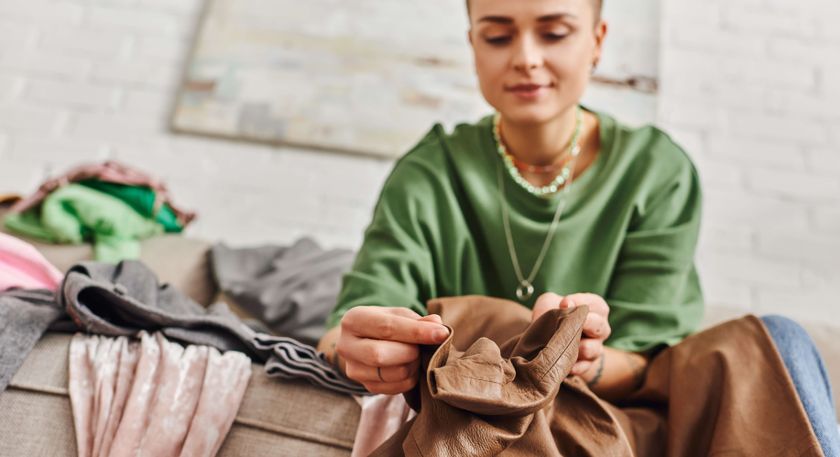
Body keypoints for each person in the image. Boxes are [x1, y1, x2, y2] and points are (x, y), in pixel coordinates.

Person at [316, 0, 840, 452]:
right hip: (487, 425)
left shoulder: (656, 171)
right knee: (499, 325)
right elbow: (342, 331)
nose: (525, 57)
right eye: (498, 35)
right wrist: (360, 349)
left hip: (624, 419)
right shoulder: (429, 174)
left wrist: (584, 360)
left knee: (779, 341)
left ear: (597, 39)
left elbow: (647, 368)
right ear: (472, 43)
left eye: (555, 32)